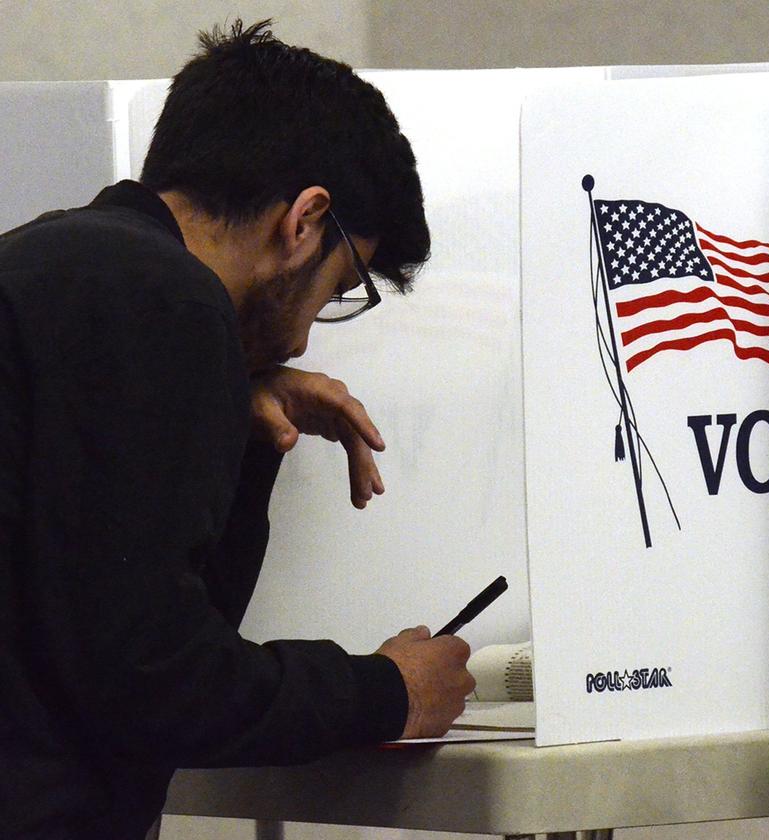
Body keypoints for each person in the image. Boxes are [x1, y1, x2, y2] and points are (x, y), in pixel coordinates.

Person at [0, 20, 475, 839]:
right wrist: (389, 692)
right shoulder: (166, 300)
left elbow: (103, 623)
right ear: (303, 221)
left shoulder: (48, 264)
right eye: (337, 287)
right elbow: (157, 678)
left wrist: (243, 418)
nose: (303, 341)